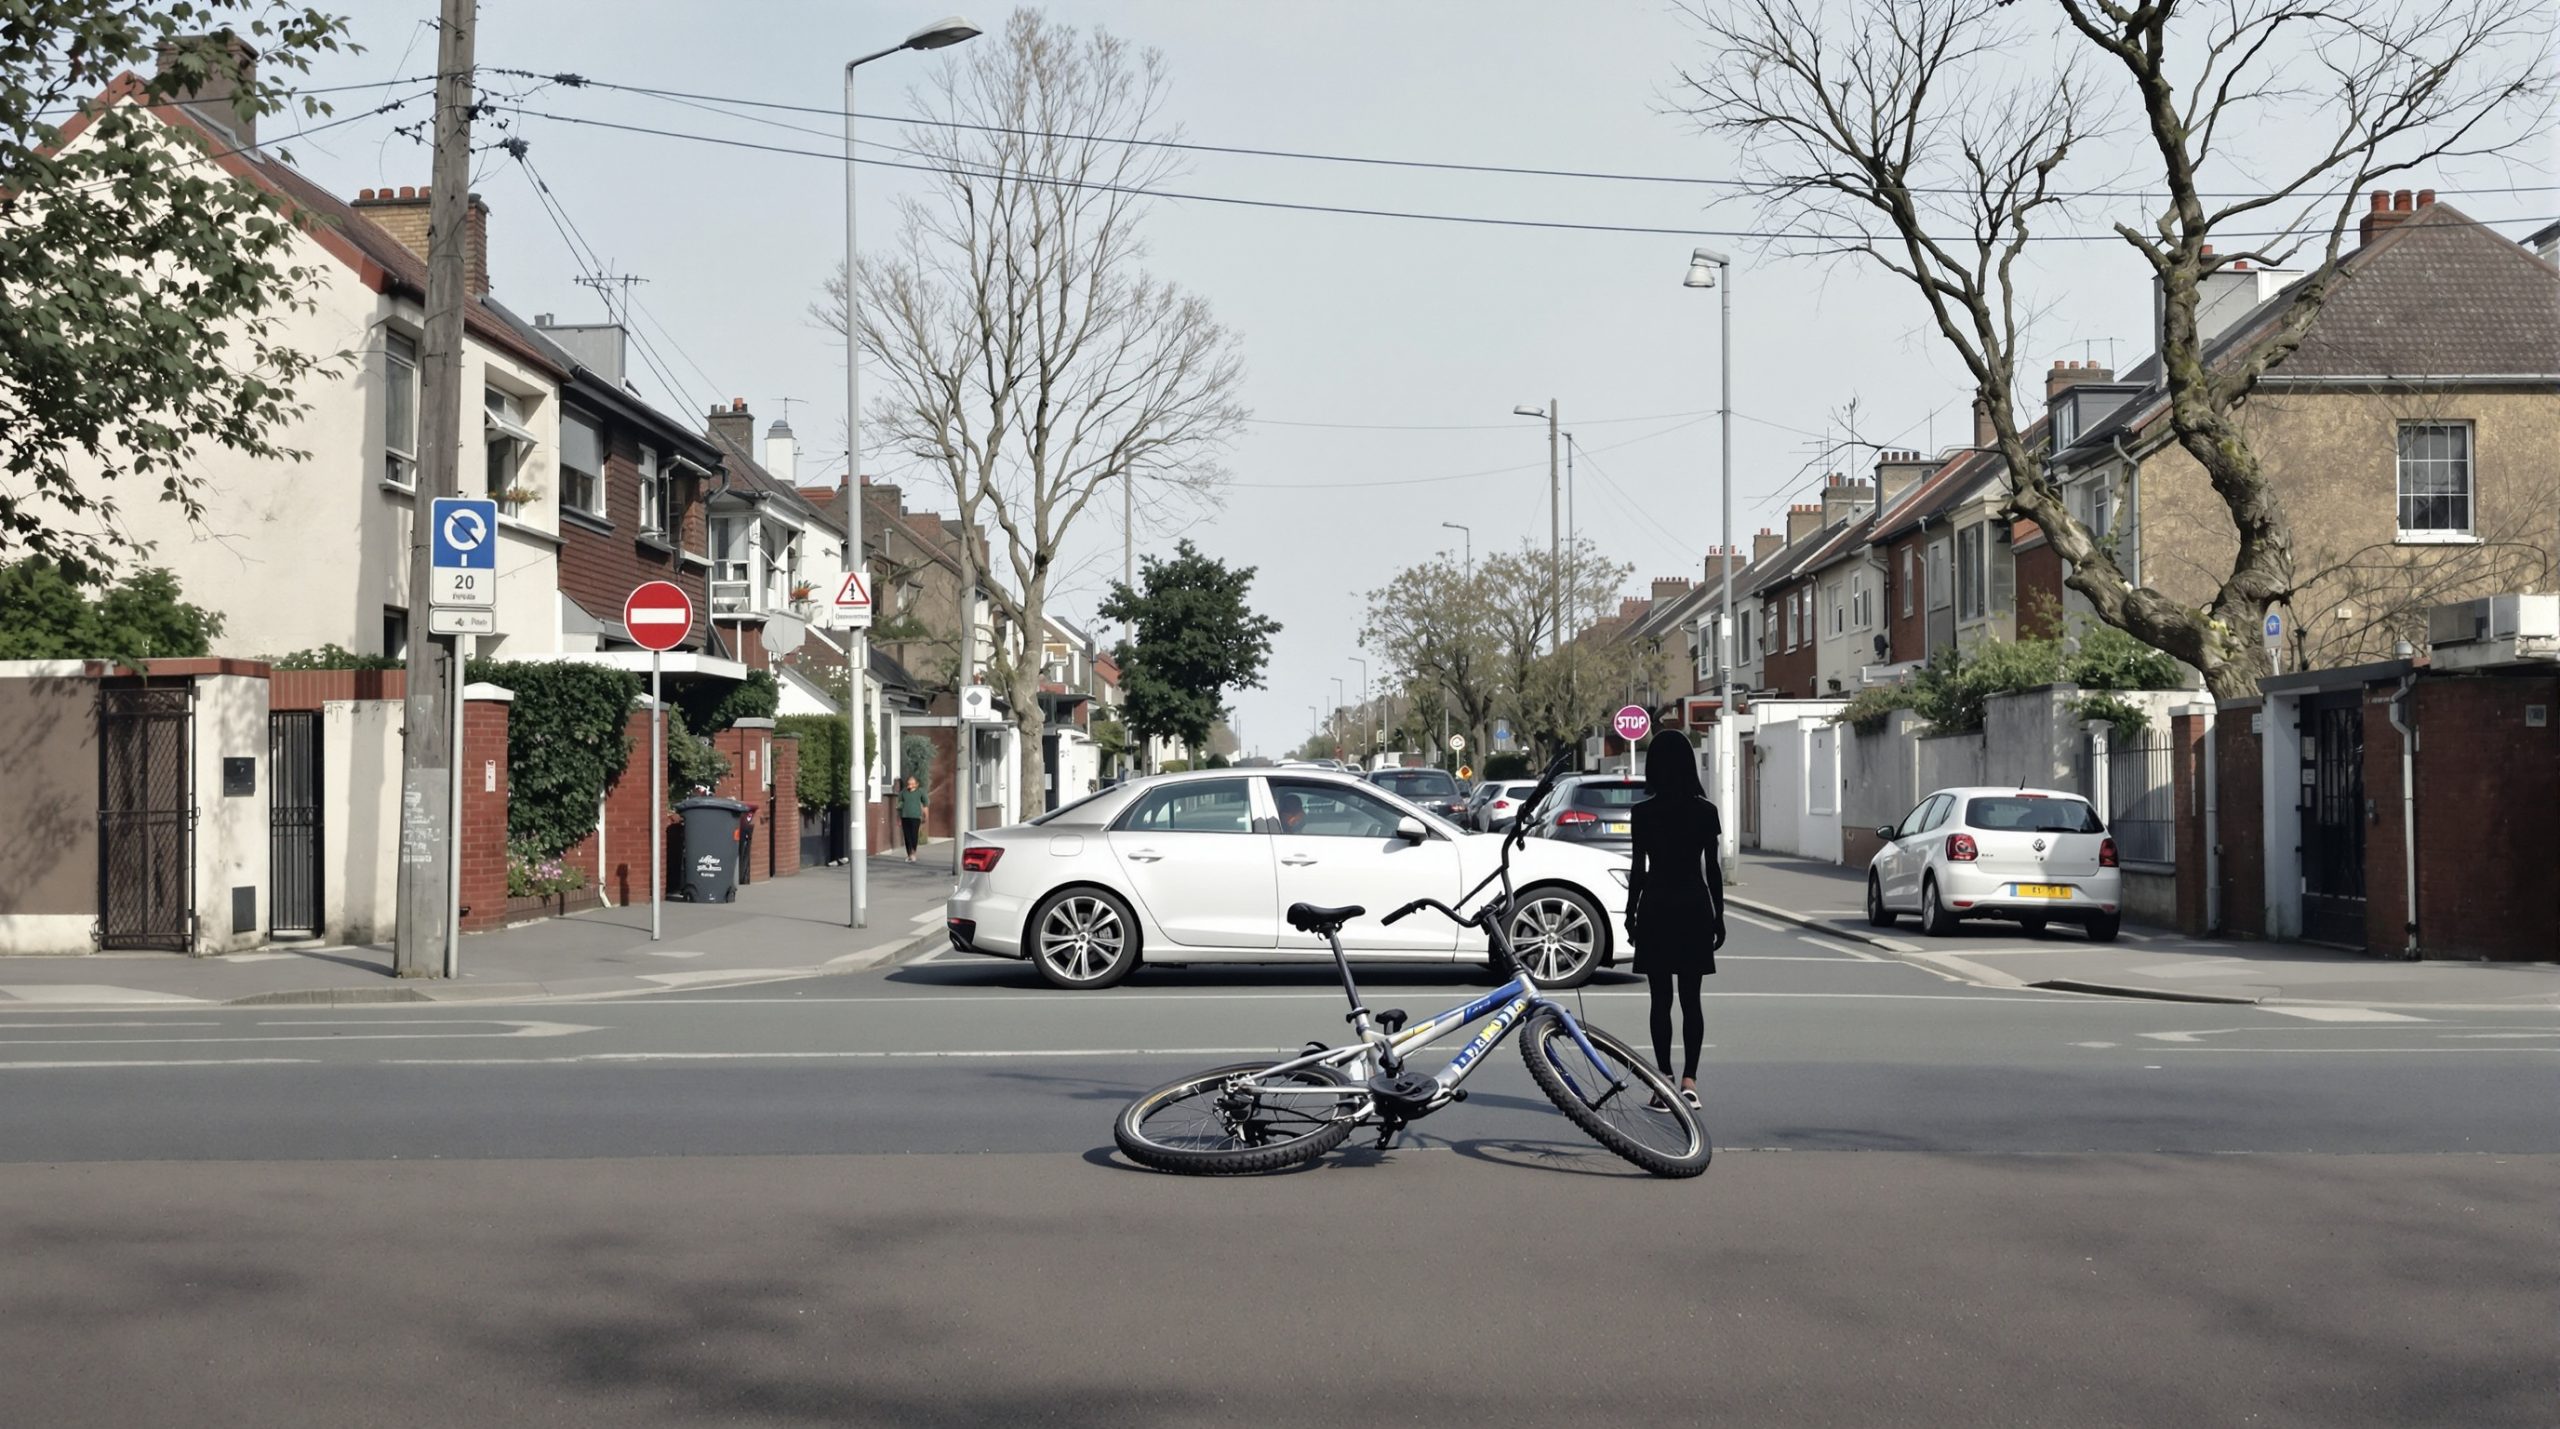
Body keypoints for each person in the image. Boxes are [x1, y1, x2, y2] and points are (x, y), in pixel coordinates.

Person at [1623, 729, 1725, 1110]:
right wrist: (1719, 915)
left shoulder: (1642, 814)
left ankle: (1662, 1081)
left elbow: (1638, 870)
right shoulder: (1705, 812)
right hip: (1694, 906)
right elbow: (1712, 869)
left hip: (1657, 906)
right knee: (1692, 1000)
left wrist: (1631, 913)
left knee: (1660, 1000)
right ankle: (1690, 1082)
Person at [898, 775, 927, 861]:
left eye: (912, 782)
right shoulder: (903, 793)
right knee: (907, 836)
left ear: (916, 784)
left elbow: (925, 804)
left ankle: (913, 853)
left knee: (914, 835)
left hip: (915, 817)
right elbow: (899, 806)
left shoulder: (920, 792)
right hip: (905, 816)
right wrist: (898, 818)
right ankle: (909, 854)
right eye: (909, 782)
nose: (909, 784)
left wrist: (925, 815)